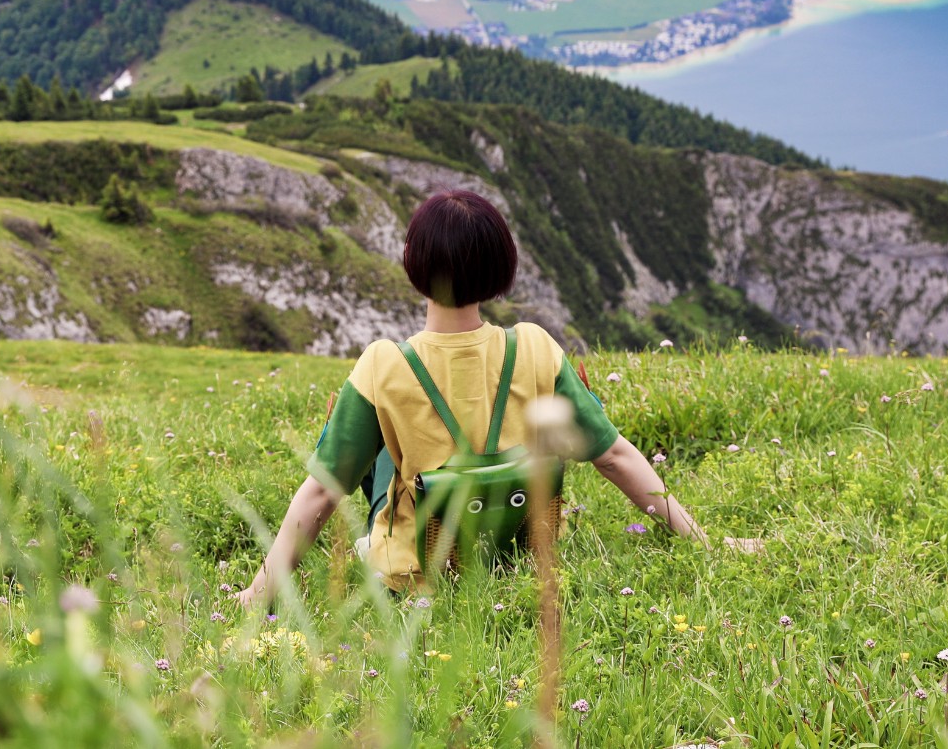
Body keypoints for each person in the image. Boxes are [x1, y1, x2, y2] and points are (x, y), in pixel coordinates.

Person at [236, 189, 704, 606]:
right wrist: (700, 543)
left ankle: (375, 542)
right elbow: (614, 457)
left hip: (415, 577)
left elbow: (322, 491)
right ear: (501, 265)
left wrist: (258, 595)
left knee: (382, 449)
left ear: (412, 260)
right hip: (525, 554)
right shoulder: (536, 347)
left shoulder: (384, 365)